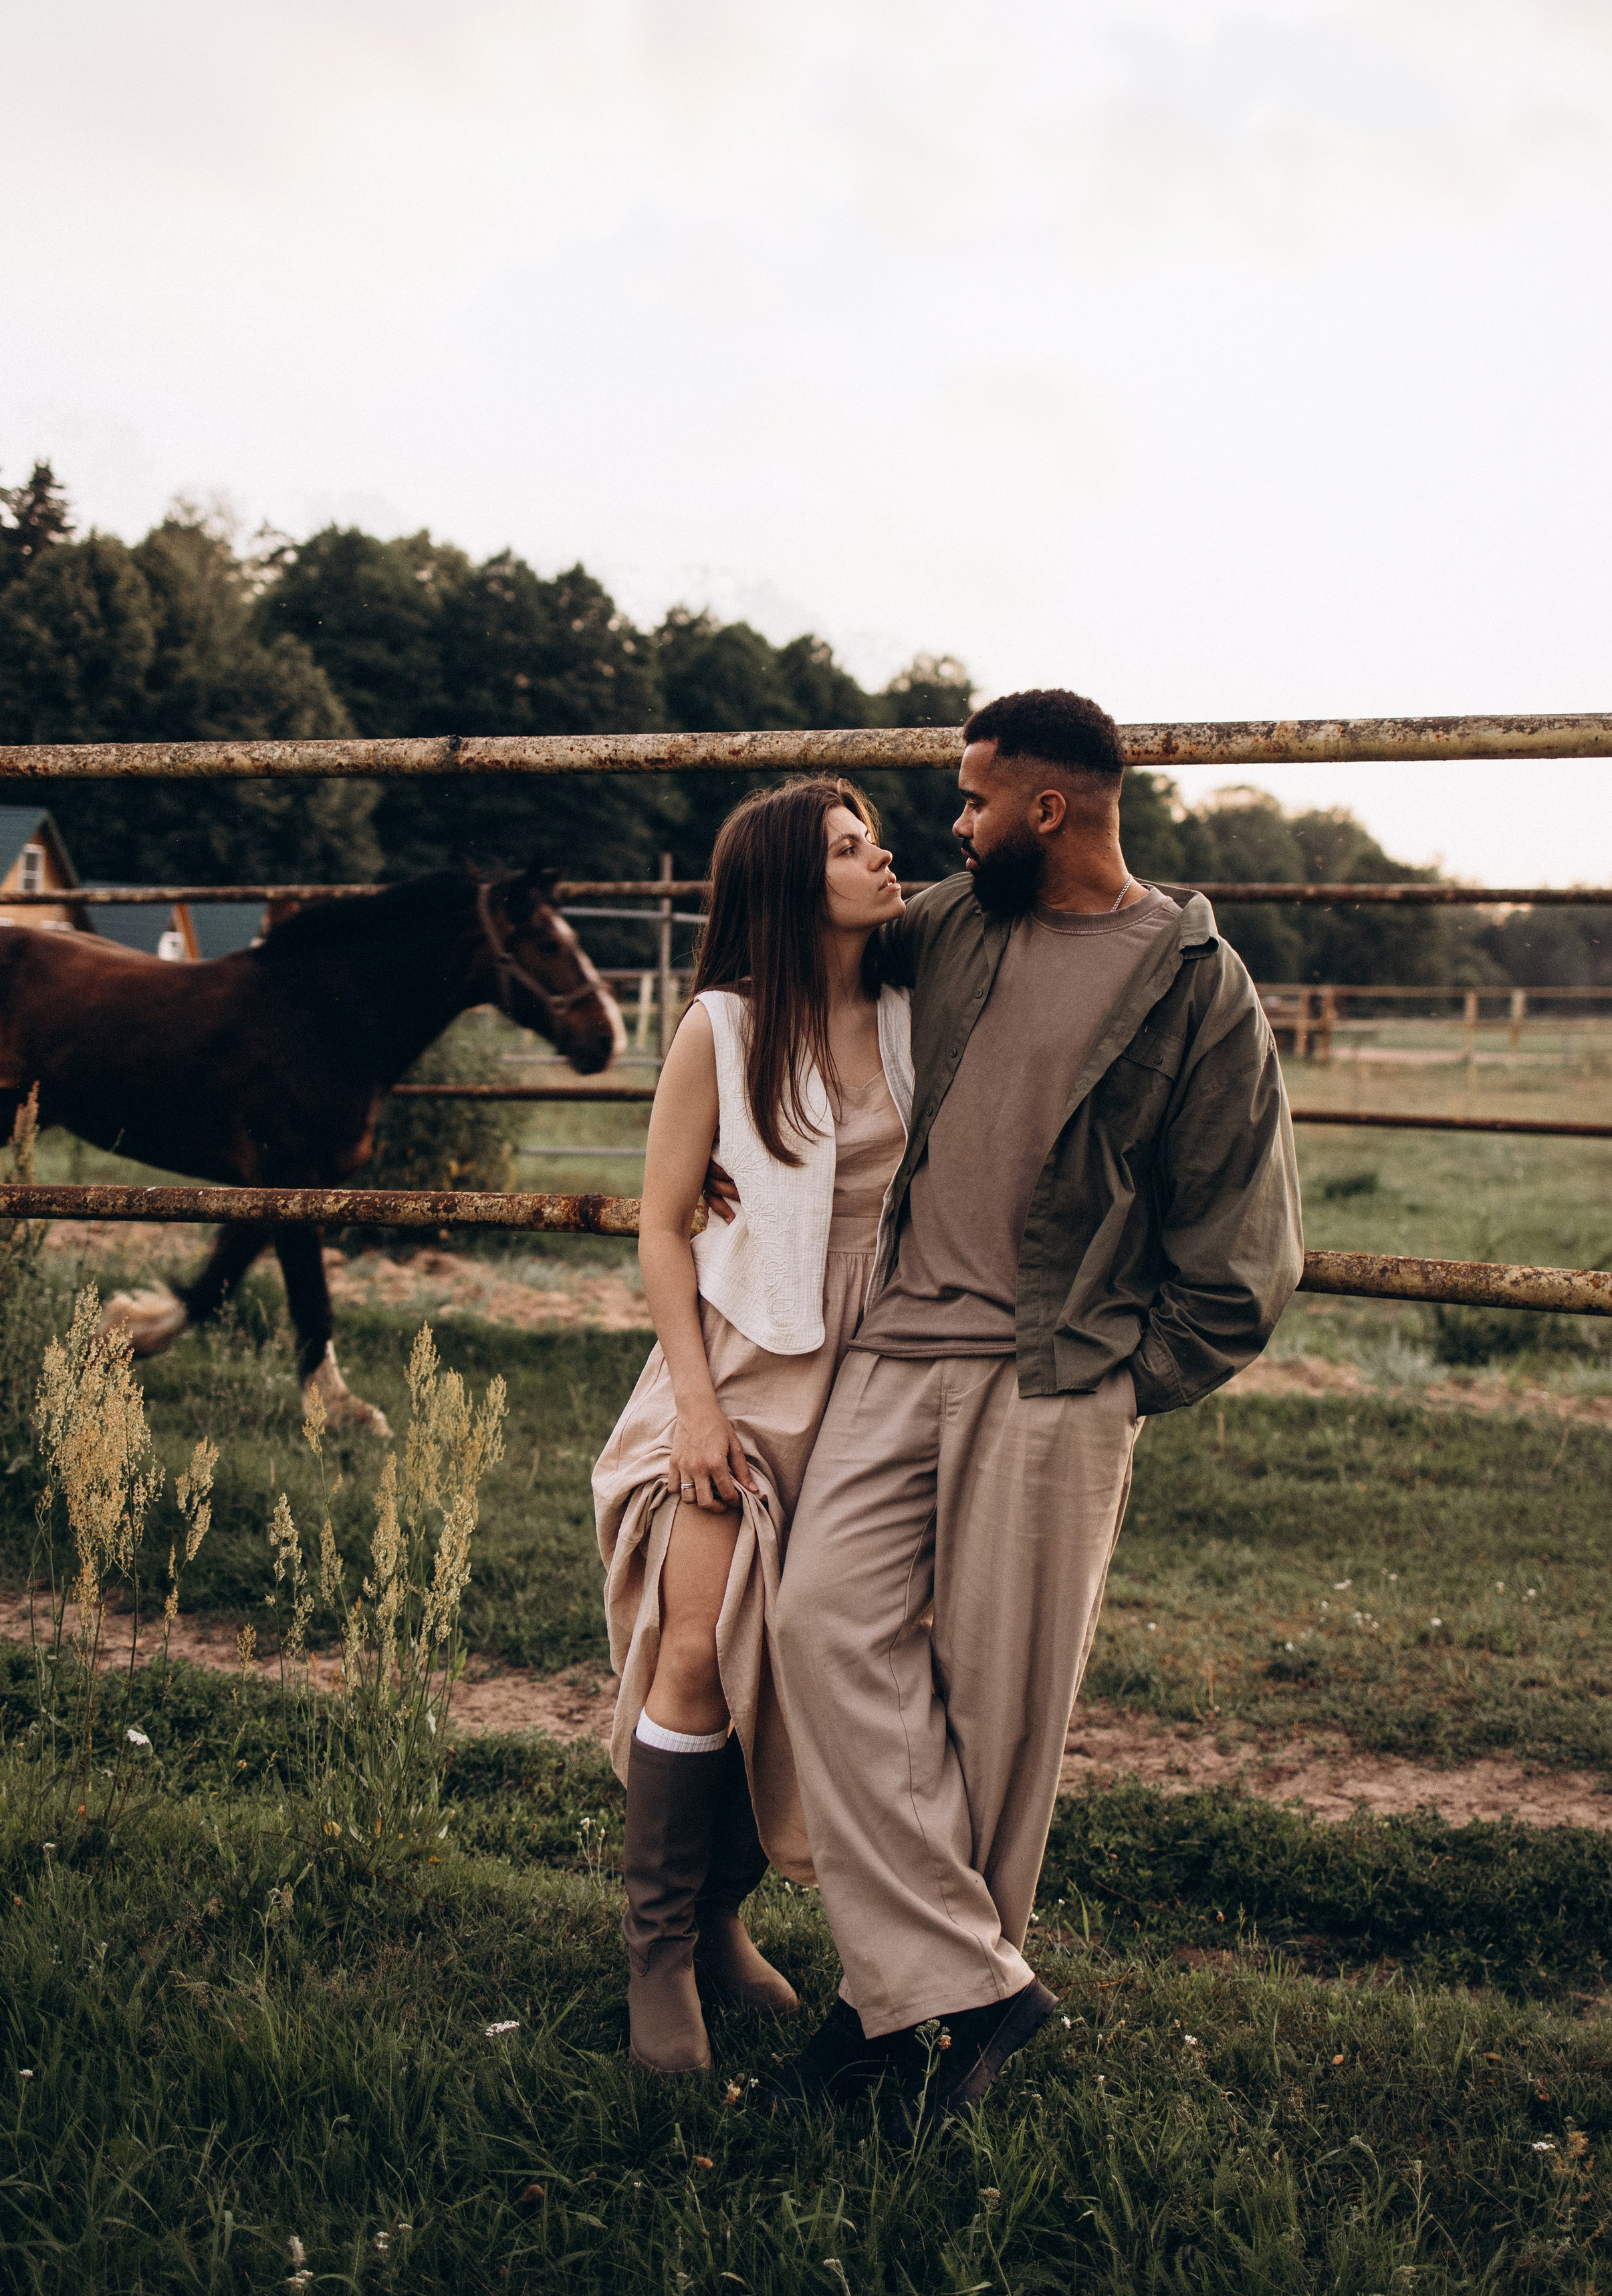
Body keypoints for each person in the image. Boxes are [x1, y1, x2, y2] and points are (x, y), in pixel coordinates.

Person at [772, 688, 1304, 2139]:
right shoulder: (949, 927)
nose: (952, 825)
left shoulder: (1191, 979)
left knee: (998, 1711)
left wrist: (1133, 1378)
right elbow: (781, 955)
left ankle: (919, 2030)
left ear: (1046, 809)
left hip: (1053, 1375)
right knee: (815, 1621)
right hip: (891, 1351)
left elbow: (1244, 1238)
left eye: (971, 800)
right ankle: (966, 1985)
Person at [592, 776, 911, 2075]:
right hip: (736, 1373)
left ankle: (726, 1919)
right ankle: (658, 1953)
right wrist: (698, 1411)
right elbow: (661, 1224)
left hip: (873, 1386)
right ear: (790, 881)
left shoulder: (910, 1014)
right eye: (847, 846)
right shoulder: (719, 1030)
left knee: (798, 1673)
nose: (880, 855)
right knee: (694, 1650)